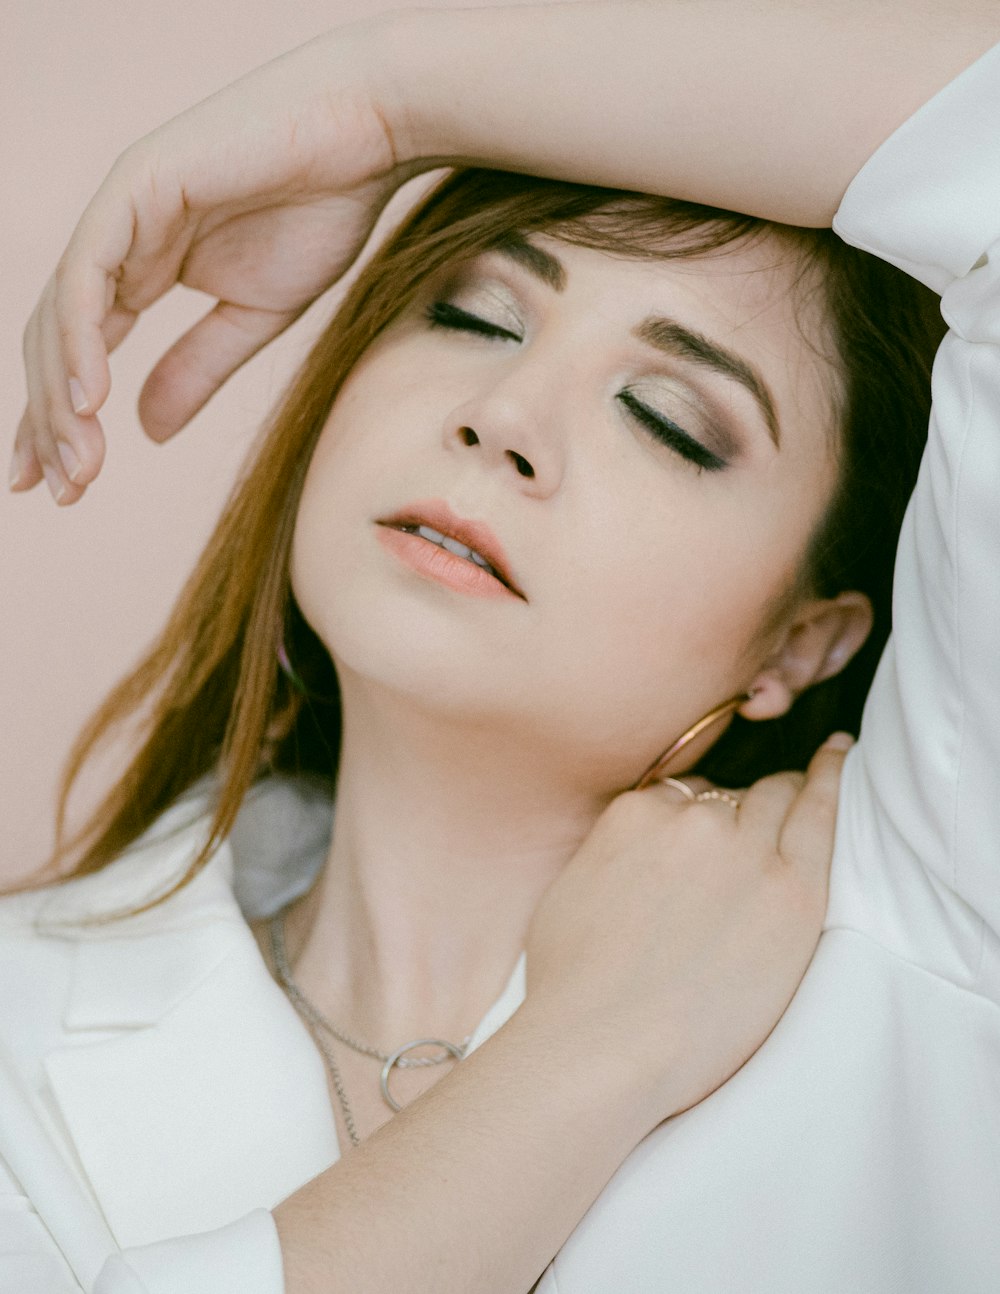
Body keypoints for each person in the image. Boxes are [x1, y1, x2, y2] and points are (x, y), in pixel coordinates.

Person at [5, 4, 1000, 1293]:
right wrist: (590, 1053)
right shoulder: (22, 1020)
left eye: (667, 417)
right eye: (476, 318)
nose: (504, 418)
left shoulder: (927, 941)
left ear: (800, 642)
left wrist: (382, 101)